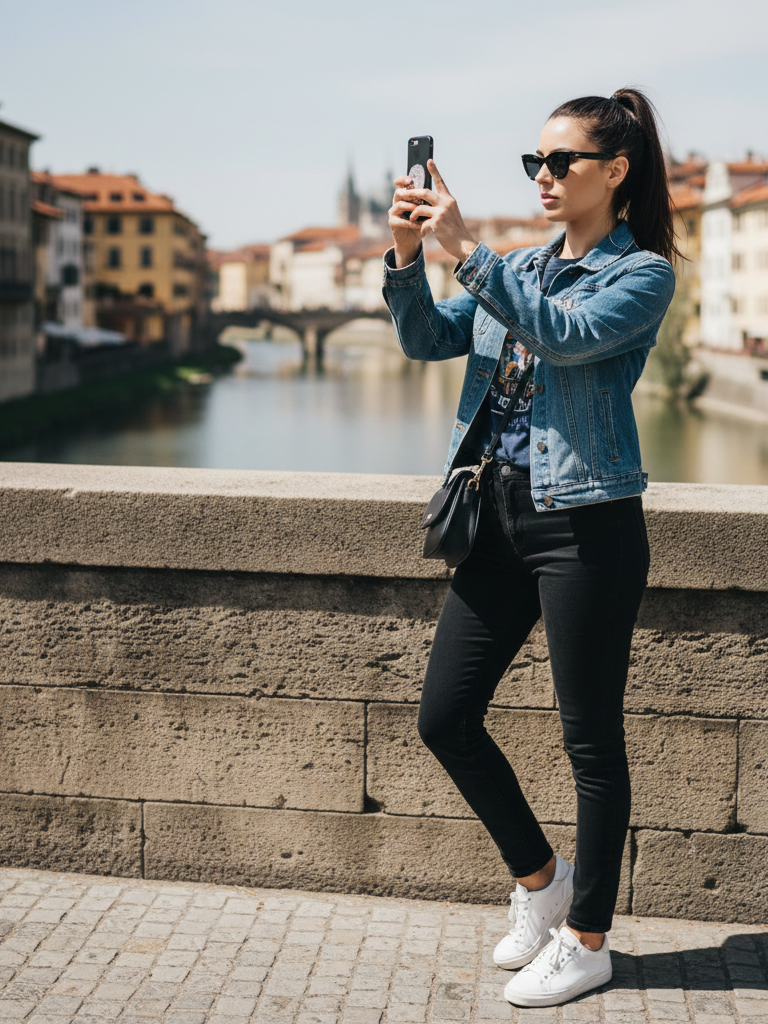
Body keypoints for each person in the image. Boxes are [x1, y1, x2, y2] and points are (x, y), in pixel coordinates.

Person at [382, 89, 678, 1008]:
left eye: (560, 162)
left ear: (615, 172)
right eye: (533, 163)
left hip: (586, 523)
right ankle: (542, 885)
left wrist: (467, 250)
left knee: (590, 740)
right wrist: (407, 257)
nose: (543, 177)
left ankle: (588, 941)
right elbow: (426, 338)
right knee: (445, 717)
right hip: (497, 517)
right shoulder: (517, 266)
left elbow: (565, 338)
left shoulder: (641, 276)